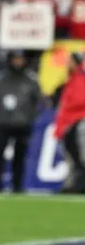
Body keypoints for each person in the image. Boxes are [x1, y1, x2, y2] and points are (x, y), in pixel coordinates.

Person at [0, 50, 43, 192]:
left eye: (21, 59)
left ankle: (17, 186)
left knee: (20, 157)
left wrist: (29, 117)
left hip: (22, 125)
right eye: (16, 59)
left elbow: (39, 101)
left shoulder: (31, 80)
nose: (18, 62)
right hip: (2, 124)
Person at [55, 52, 85, 194]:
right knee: (72, 157)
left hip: (76, 122)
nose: (68, 63)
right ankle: (74, 184)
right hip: (69, 124)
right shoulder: (72, 79)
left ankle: (77, 184)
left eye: (71, 61)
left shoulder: (79, 79)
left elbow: (78, 101)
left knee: (77, 156)